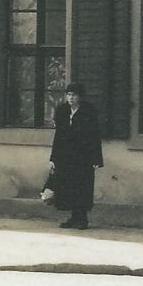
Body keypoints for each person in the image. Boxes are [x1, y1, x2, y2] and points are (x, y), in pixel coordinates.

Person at [47, 81, 104, 229]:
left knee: (82, 186)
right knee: (68, 187)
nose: (71, 98)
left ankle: (82, 218)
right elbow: (58, 136)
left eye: (74, 95)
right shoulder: (62, 111)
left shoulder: (89, 112)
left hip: (83, 157)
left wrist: (96, 158)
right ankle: (73, 217)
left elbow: (94, 136)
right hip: (66, 157)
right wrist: (54, 158)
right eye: (69, 94)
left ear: (80, 97)